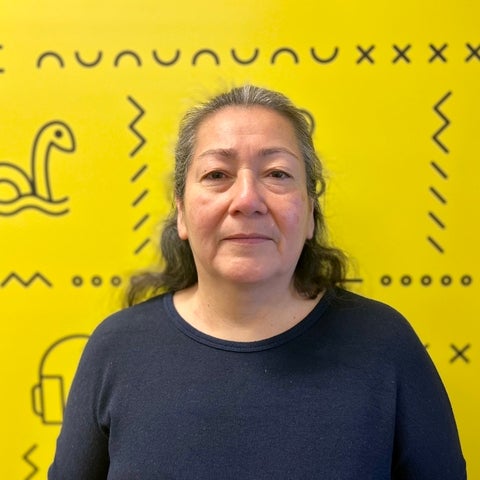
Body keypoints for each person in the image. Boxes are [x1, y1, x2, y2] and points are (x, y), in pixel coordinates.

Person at [49, 85, 466, 479]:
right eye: (217, 174)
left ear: (310, 213)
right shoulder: (117, 348)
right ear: (181, 212)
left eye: (277, 174)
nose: (247, 199)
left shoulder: (384, 345)